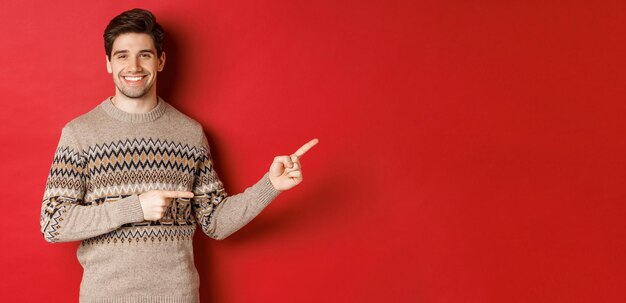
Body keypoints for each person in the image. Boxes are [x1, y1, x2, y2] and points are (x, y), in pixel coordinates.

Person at [39, 8, 318, 303]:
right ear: (108, 63)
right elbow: (52, 222)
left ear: (160, 61)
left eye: (144, 54)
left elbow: (215, 222)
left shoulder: (189, 134)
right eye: (122, 55)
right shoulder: (80, 133)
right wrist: (134, 208)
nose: (133, 65)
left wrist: (270, 186)